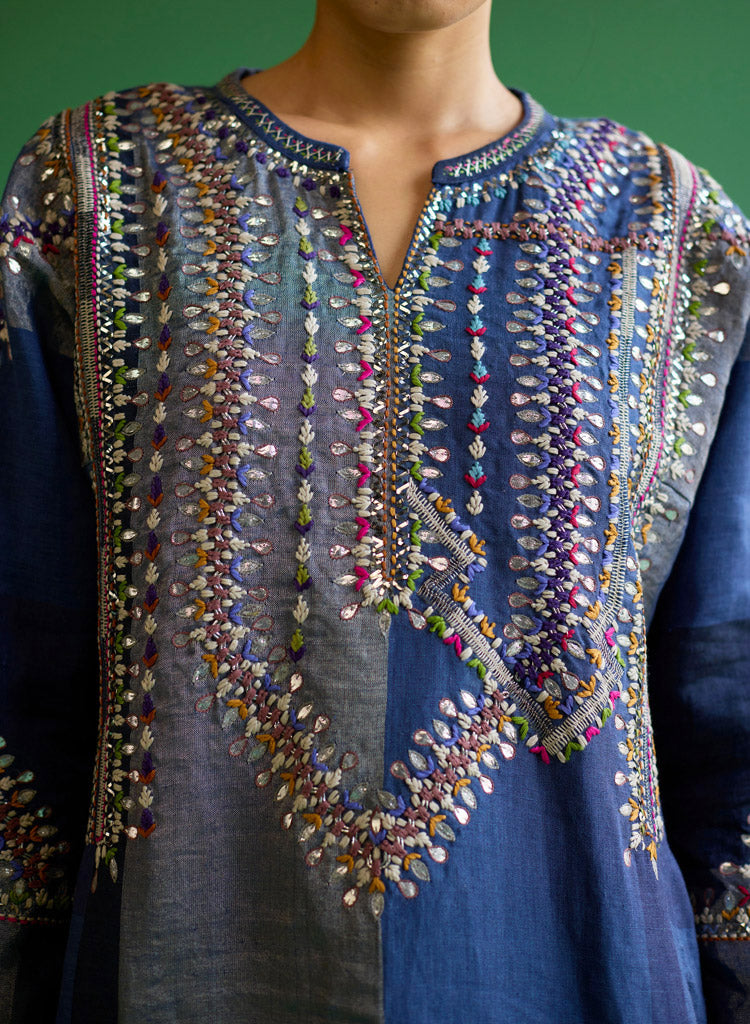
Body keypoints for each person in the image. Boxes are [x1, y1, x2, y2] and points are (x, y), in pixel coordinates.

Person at [1, 1, 748, 1021]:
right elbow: (22, 663)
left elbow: (728, 701)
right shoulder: (98, 183)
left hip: (583, 971)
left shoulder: (674, 232)